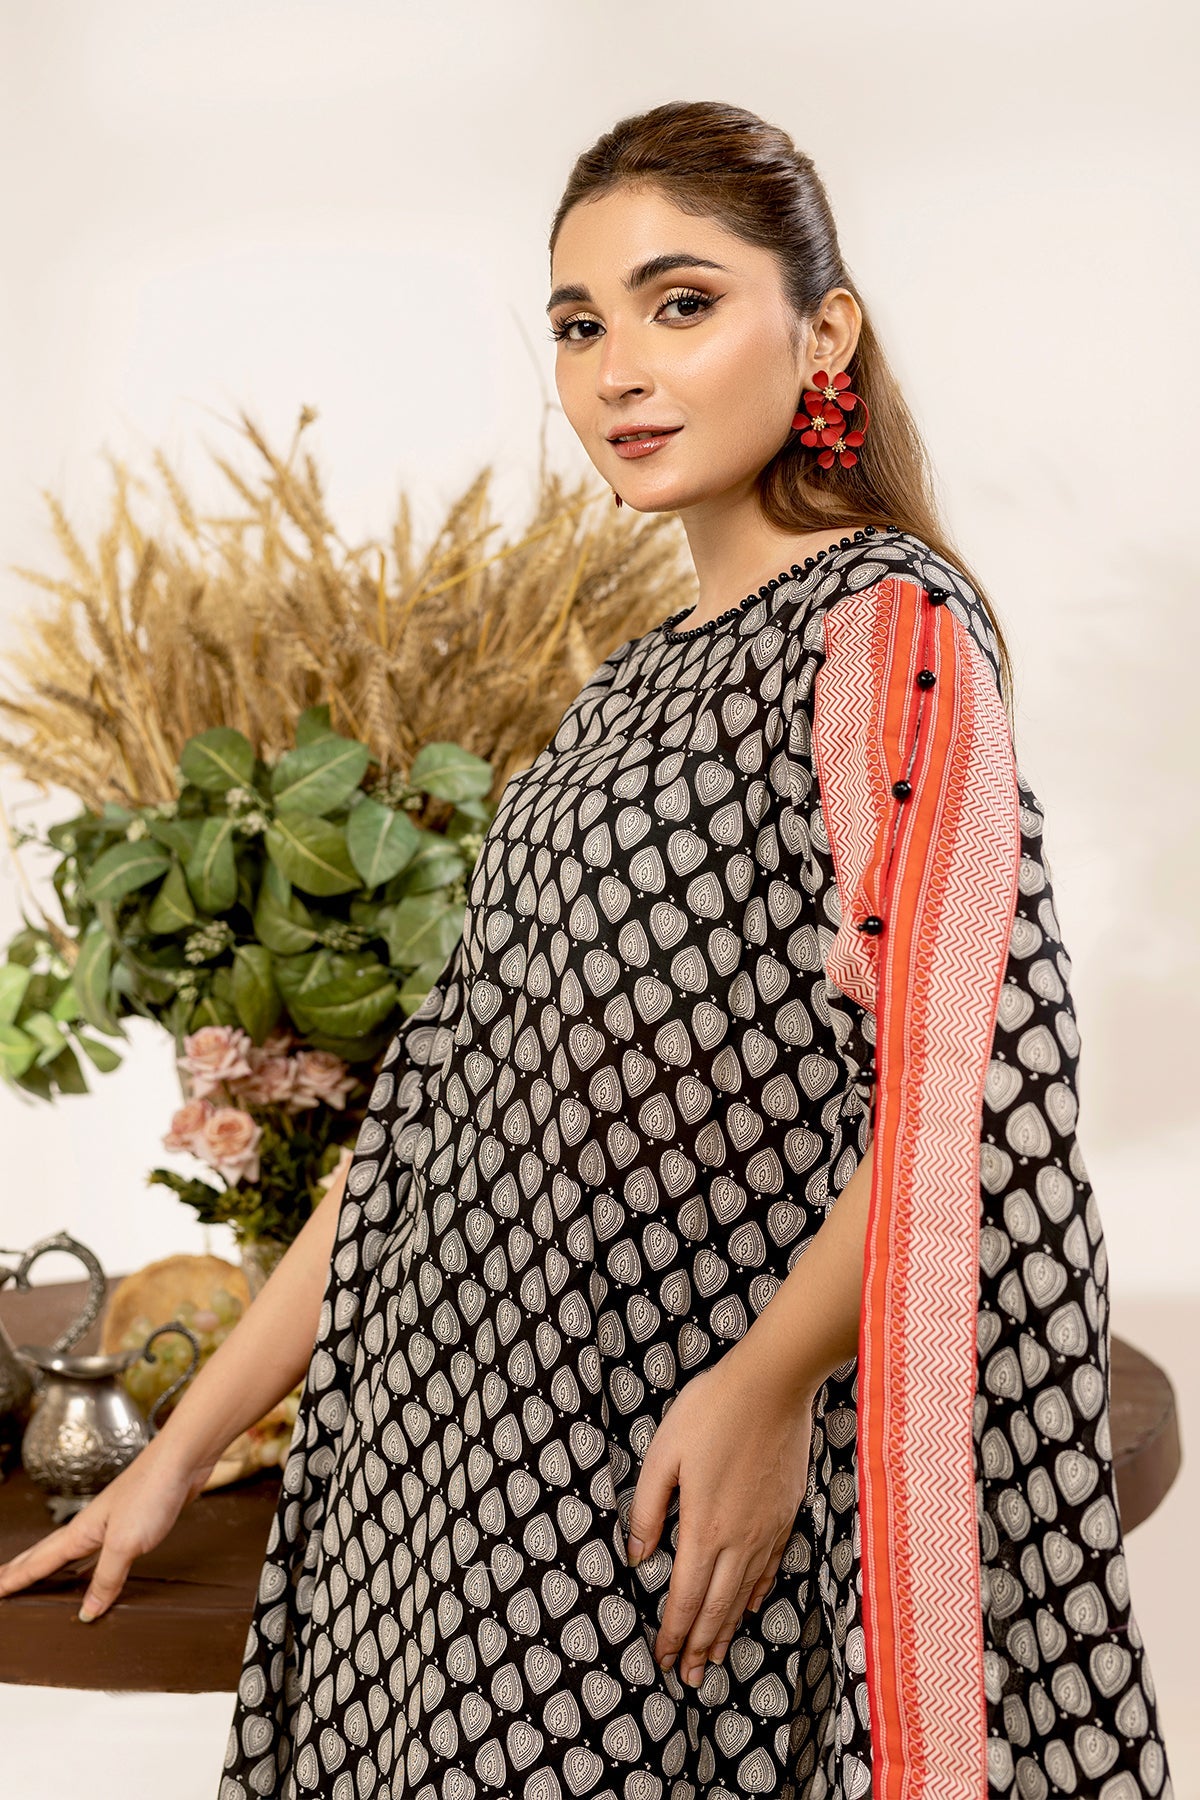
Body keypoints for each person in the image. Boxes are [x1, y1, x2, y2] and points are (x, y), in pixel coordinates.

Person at [0, 99, 1174, 1800]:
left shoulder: (886, 631)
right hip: (455, 1494)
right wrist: (176, 1456)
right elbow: (437, 1122)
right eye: (578, 324)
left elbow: (961, 1079)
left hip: (652, 1484)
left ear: (823, 333)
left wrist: (767, 1388)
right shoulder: (625, 687)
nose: (620, 369)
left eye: (680, 304)